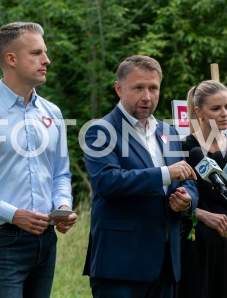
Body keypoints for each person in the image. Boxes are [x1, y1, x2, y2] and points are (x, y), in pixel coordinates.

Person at [0, 21, 77, 298]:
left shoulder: (53, 113)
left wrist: (64, 206)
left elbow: (61, 175)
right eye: (36, 53)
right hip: (2, 241)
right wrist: (13, 214)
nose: (47, 60)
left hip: (46, 240)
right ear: (11, 59)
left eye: (44, 52)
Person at [82, 55, 199, 298]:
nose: (147, 96)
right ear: (119, 88)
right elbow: (106, 182)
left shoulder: (170, 132)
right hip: (120, 263)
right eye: (138, 88)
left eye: (153, 88)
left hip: (166, 263)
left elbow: (188, 180)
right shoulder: (100, 130)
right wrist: (165, 174)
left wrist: (188, 200)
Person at [177, 80, 227, 298]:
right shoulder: (184, 147)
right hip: (195, 241)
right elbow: (174, 199)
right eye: (216, 108)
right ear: (198, 112)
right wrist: (203, 215)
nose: (225, 113)